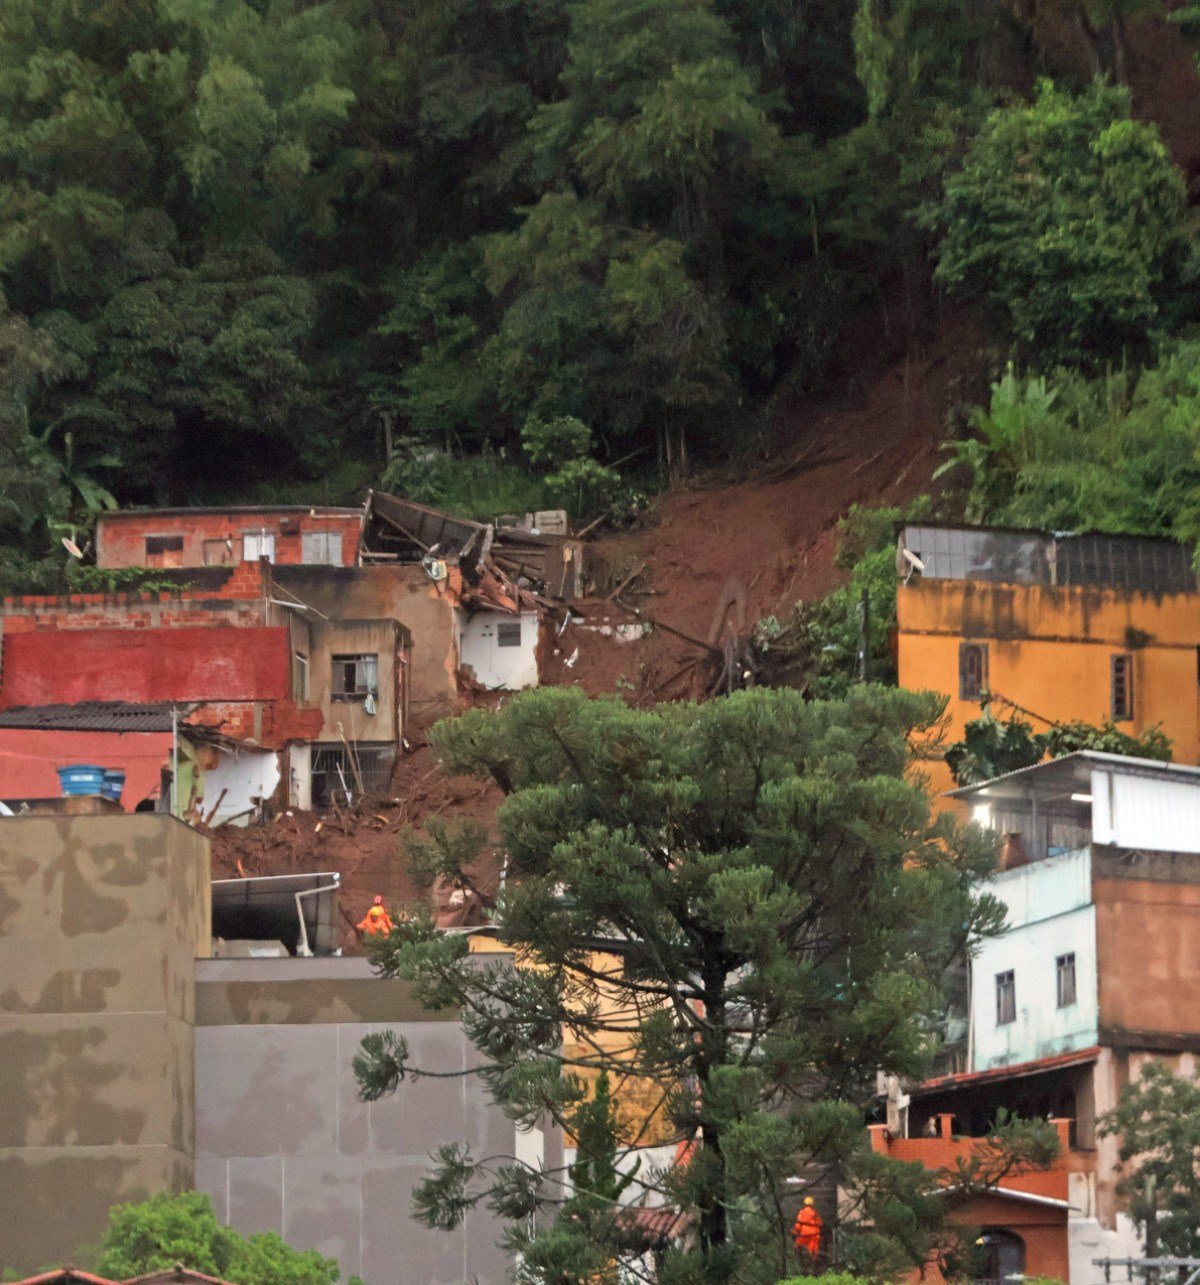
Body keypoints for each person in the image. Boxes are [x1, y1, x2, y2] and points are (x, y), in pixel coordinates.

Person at [793, 1196, 824, 1261]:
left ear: (804, 1204)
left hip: (805, 1234)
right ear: (812, 1204)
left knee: (797, 1245)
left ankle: (798, 1261)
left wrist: (796, 1231)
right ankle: (813, 1264)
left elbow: (799, 1223)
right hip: (815, 1235)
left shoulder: (802, 1212)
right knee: (813, 1252)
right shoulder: (816, 1213)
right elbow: (820, 1224)